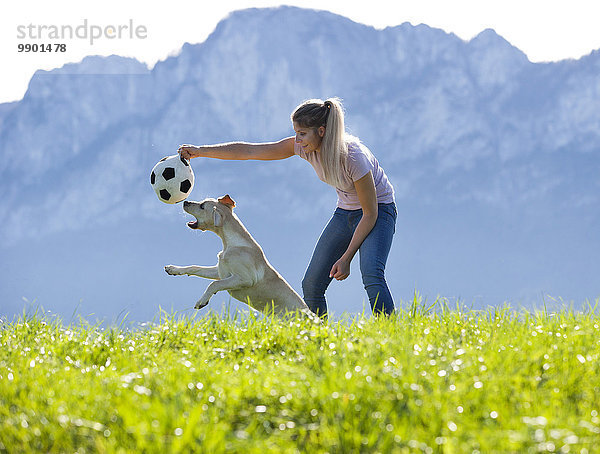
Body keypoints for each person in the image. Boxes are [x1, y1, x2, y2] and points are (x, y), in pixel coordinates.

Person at [178, 97, 396, 317]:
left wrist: (346, 257)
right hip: (345, 213)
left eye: (302, 133)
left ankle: (389, 333)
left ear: (321, 131)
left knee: (371, 274)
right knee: (312, 283)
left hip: (379, 211)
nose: (297, 140)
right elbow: (249, 151)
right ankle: (317, 339)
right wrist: (200, 151)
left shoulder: (353, 157)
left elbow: (370, 214)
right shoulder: (303, 147)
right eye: (296, 133)